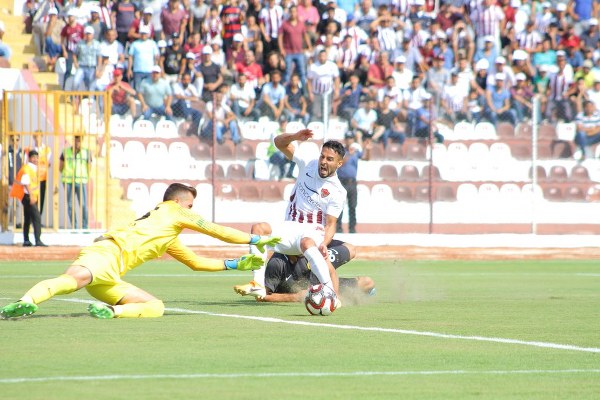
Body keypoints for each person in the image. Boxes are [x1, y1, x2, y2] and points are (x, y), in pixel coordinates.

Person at [0, 183, 280, 319]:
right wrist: (255, 240)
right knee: (73, 281)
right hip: (107, 252)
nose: (192, 212)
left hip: (110, 278)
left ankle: (111, 311)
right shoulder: (174, 210)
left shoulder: (166, 232)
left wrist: (232, 265)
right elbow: (215, 230)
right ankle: (27, 302)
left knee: (155, 307)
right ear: (180, 202)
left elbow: (194, 262)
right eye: (190, 206)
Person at [233, 129, 347, 302]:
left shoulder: (338, 191)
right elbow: (278, 143)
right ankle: (257, 284)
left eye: (329, 159)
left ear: (339, 163)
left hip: (313, 232)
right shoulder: (308, 163)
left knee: (307, 242)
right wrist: (294, 137)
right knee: (259, 229)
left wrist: (324, 244)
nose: (323, 162)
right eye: (322, 157)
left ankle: (329, 292)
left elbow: (331, 224)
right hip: (290, 227)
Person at [260, 241, 375, 302]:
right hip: (304, 293)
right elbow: (261, 296)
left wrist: (335, 296)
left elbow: (332, 272)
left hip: (321, 285)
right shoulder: (276, 263)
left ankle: (349, 297)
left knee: (368, 282)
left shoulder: (311, 251)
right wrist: (294, 297)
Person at [9, 150, 46, 247]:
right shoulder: (27, 168)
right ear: (29, 158)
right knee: (36, 217)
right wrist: (32, 196)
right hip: (28, 196)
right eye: (33, 157)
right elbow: (26, 183)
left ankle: (26, 240)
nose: (35, 159)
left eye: (37, 157)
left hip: (27, 196)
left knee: (28, 218)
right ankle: (38, 240)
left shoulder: (32, 168)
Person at [336, 132, 370, 234]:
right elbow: (340, 164)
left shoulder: (356, 151)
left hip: (352, 182)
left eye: (351, 138)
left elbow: (366, 158)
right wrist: (349, 154)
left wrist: (368, 149)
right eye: (347, 138)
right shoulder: (341, 151)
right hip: (341, 181)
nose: (349, 140)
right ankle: (338, 229)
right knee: (339, 206)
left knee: (352, 206)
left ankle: (352, 228)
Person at [59, 135, 91, 229]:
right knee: (70, 205)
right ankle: (75, 226)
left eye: (79, 141)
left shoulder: (86, 152)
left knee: (84, 205)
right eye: (76, 140)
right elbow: (61, 167)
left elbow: (89, 167)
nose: (78, 143)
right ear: (73, 141)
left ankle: (85, 226)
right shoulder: (66, 152)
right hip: (68, 181)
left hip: (81, 181)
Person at [24, 135, 51, 214]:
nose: (37, 138)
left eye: (39, 137)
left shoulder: (47, 149)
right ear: (33, 138)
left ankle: (38, 218)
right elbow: (26, 162)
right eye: (36, 137)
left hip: (42, 178)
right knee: (31, 198)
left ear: (42, 137)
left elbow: (48, 162)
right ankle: (32, 219)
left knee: (41, 199)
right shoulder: (29, 149)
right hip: (32, 178)